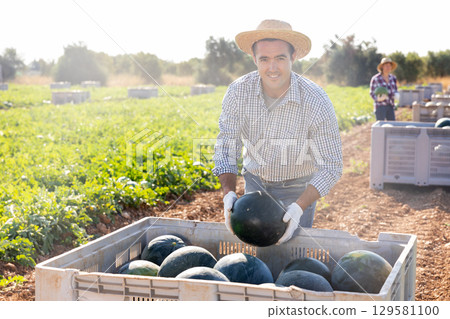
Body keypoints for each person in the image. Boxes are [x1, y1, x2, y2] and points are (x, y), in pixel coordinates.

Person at [212, 19, 343, 245]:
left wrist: (299, 207)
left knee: (292, 254)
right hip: (255, 184)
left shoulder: (315, 100)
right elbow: (226, 146)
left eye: (280, 58)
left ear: (293, 58)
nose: (272, 68)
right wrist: (228, 194)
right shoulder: (238, 92)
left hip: (299, 188)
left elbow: (332, 165)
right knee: (256, 254)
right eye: (264, 59)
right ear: (254, 59)